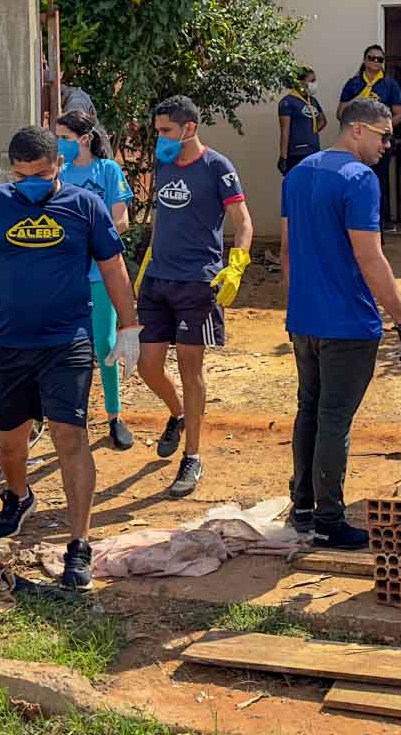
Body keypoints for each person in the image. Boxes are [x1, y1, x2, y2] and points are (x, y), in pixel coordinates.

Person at [0, 126, 141, 589]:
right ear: (12, 170)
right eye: (23, 174)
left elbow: (112, 265)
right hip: (9, 343)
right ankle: (18, 495)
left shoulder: (86, 206)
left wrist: (128, 324)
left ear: (58, 167)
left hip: (66, 341)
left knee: (70, 437)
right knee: (10, 443)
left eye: (42, 174)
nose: (32, 182)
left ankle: (80, 543)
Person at [282, 97, 401, 549]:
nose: (389, 145)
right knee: (333, 420)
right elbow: (370, 256)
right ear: (357, 130)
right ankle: (328, 519)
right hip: (346, 325)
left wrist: (298, 305)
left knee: (309, 411)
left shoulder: (299, 174)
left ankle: (301, 508)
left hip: (304, 322)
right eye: (384, 135)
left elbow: (286, 252)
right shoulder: (359, 179)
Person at [134, 95, 253, 498]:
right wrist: (147, 260)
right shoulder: (164, 163)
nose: (160, 140)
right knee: (147, 365)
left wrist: (235, 265)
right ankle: (178, 413)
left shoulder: (218, 167)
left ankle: (193, 457)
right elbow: (162, 217)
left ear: (189, 128)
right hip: (158, 280)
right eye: (157, 132)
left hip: (196, 284)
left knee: (190, 369)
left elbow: (243, 221)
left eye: (166, 131)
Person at [55, 109, 136, 450]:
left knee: (104, 344)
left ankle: (114, 417)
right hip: (66, 275)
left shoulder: (108, 170)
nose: (60, 143)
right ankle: (76, 418)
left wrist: (89, 237)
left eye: (65, 137)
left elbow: (122, 220)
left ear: (84, 139)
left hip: (101, 273)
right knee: (71, 348)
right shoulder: (60, 173)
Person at [336, 45, 401, 230]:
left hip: (378, 142)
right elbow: (341, 113)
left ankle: (378, 226)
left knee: (378, 183)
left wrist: (383, 131)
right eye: (371, 58)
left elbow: (399, 114)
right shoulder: (353, 84)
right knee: (354, 181)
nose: (375, 62)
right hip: (355, 143)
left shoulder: (390, 85)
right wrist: (359, 97)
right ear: (364, 60)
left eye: (379, 59)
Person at [277, 67, 327, 178]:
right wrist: (283, 157)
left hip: (313, 152)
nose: (314, 84)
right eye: (311, 80)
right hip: (296, 154)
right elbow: (285, 132)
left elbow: (323, 120)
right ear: (300, 82)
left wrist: (309, 132)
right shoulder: (287, 102)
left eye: (315, 80)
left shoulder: (313, 100)